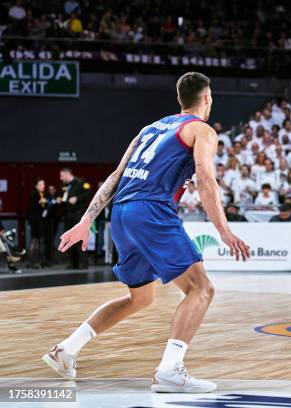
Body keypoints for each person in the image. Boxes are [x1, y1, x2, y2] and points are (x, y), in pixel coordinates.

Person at [42, 72, 250, 393]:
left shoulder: (150, 128)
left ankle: (66, 349)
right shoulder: (202, 130)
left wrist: (87, 220)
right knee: (201, 289)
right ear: (206, 99)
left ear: (180, 99)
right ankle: (170, 370)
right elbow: (206, 180)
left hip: (122, 212)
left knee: (141, 297)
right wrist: (223, 230)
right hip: (151, 209)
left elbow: (116, 175)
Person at [57, 168, 92, 269]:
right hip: (67, 214)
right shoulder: (64, 186)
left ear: (67, 174)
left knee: (79, 238)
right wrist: (59, 199)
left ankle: (84, 262)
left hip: (78, 214)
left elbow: (89, 192)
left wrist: (77, 198)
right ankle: (74, 263)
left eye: (62, 175)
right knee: (68, 238)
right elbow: (61, 196)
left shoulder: (80, 183)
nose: (61, 178)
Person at [27, 178, 47, 269]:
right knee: (35, 241)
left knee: (40, 241)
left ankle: (42, 261)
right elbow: (31, 207)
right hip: (35, 221)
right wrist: (40, 203)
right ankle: (31, 262)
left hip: (39, 220)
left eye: (43, 184)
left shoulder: (41, 193)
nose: (43, 186)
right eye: (41, 184)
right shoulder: (33, 193)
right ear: (36, 185)